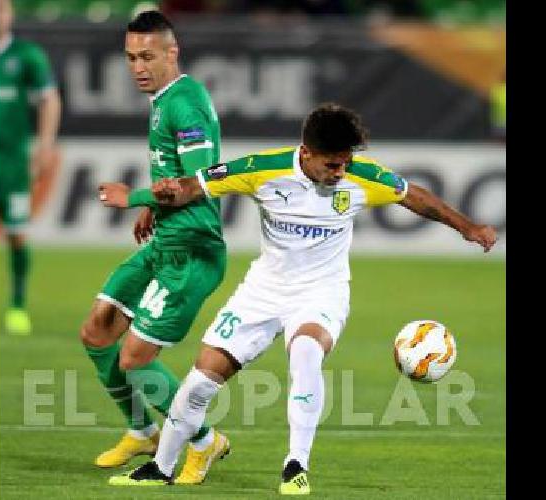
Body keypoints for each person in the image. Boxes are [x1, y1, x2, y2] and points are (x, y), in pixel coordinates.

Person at [99, 103, 496, 493]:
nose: (340, 171)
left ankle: (296, 465)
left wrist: (468, 227)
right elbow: (192, 187)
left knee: (306, 351)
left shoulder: (363, 177)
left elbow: (416, 197)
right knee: (202, 379)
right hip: (263, 290)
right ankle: (161, 467)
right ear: (306, 152)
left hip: (322, 291)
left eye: (345, 162)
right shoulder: (262, 170)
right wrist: (139, 199)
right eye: (332, 164)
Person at [80, 10, 230, 484]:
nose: (138, 67)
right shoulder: (164, 99)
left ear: (172, 52)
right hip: (168, 236)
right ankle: (142, 430)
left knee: (134, 357)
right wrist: (157, 209)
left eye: (147, 56)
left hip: (191, 252)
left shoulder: (185, 105)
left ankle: (205, 443)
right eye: (130, 58)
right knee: (98, 331)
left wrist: (136, 197)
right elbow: (178, 179)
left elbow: (202, 180)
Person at [0, 0, 61, 335]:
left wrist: (45, 144)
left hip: (11, 163)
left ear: (10, 14)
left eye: (1, 9)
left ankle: (17, 306)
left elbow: (50, 98)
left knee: (17, 235)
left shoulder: (25, 56)